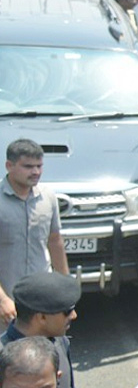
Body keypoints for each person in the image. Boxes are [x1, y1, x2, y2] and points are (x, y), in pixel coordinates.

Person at [0, 138, 67, 323]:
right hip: (7, 303)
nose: (36, 172)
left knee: (44, 349)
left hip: (41, 299)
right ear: (9, 166)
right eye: (28, 166)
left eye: (39, 166)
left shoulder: (48, 197)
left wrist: (65, 286)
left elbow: (55, 242)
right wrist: (3, 300)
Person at [1, 270, 85, 388]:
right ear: (42, 318)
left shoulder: (61, 343)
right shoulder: (2, 356)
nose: (74, 315)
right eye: (67, 311)